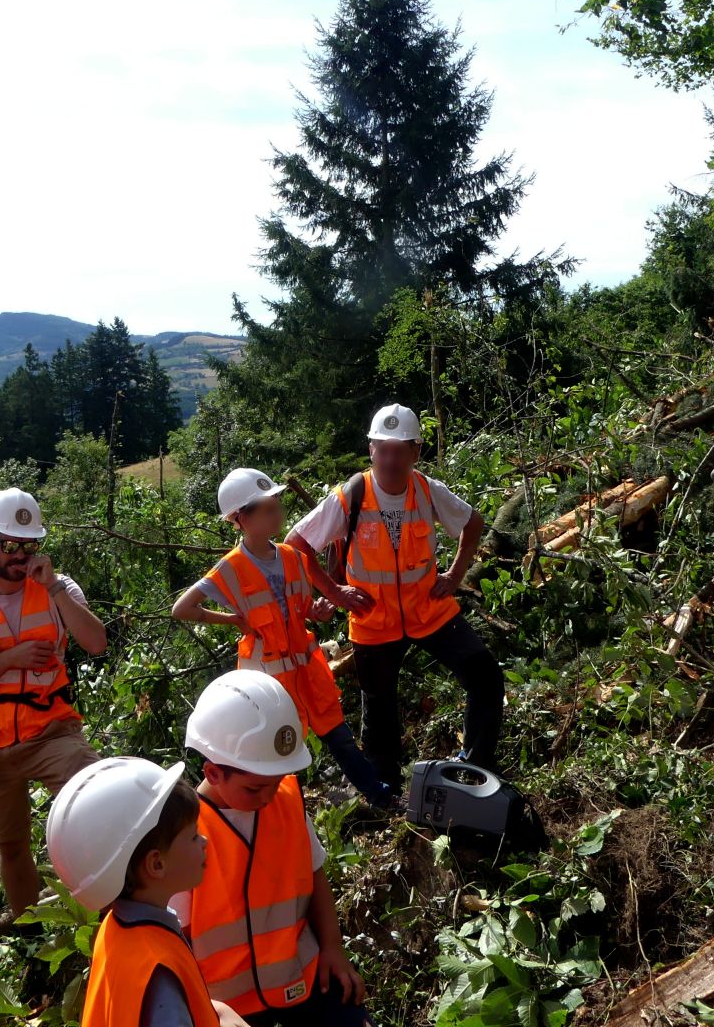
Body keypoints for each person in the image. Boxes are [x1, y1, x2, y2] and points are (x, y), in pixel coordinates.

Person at [285, 403, 501, 788]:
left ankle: (476, 768)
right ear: (371, 450)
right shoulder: (352, 495)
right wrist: (334, 591)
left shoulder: (427, 491)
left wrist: (455, 574)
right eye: (382, 450)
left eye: (399, 450)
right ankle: (386, 792)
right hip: (373, 620)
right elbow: (295, 544)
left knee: (485, 677)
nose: (390, 460)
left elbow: (474, 523)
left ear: (415, 452)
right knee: (379, 709)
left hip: (429, 610)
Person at [0, 486, 108, 924]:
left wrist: (55, 589)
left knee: (98, 808)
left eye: (30, 545)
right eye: (10, 545)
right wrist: (8, 660)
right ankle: (29, 933)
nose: (21, 555)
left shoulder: (59, 589)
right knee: (11, 846)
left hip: (52, 732)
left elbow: (96, 643)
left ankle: (111, 917)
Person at [172, 468, 389, 806]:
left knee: (340, 737)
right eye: (268, 508)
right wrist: (231, 619)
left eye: (277, 505)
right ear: (241, 518)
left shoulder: (292, 557)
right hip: (269, 683)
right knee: (279, 756)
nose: (278, 513)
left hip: (307, 671)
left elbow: (299, 610)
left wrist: (316, 610)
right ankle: (290, 817)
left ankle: (380, 796)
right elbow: (181, 608)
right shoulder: (231, 567)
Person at [174, 671, 368, 1027]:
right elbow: (178, 936)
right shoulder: (185, 833)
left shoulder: (286, 801)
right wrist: (201, 1006)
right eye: (254, 788)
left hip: (301, 973)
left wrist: (332, 947)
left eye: (276, 782)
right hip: (228, 1004)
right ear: (213, 773)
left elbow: (315, 875)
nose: (268, 797)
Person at [46, 756, 249, 1027]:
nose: (204, 841)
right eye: (192, 836)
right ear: (157, 864)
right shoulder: (159, 969)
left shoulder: (117, 928)